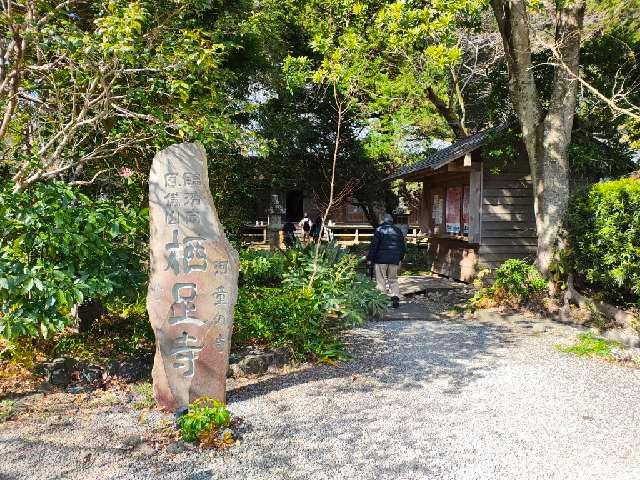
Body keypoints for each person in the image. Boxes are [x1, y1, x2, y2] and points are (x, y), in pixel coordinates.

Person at [366, 213, 406, 308]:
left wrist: (370, 258)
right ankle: (395, 296)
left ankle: (382, 301)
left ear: (383, 220)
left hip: (381, 260)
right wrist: (400, 258)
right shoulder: (398, 230)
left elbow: (374, 246)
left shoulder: (379, 230)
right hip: (394, 260)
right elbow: (402, 247)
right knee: (393, 279)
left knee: (381, 280)